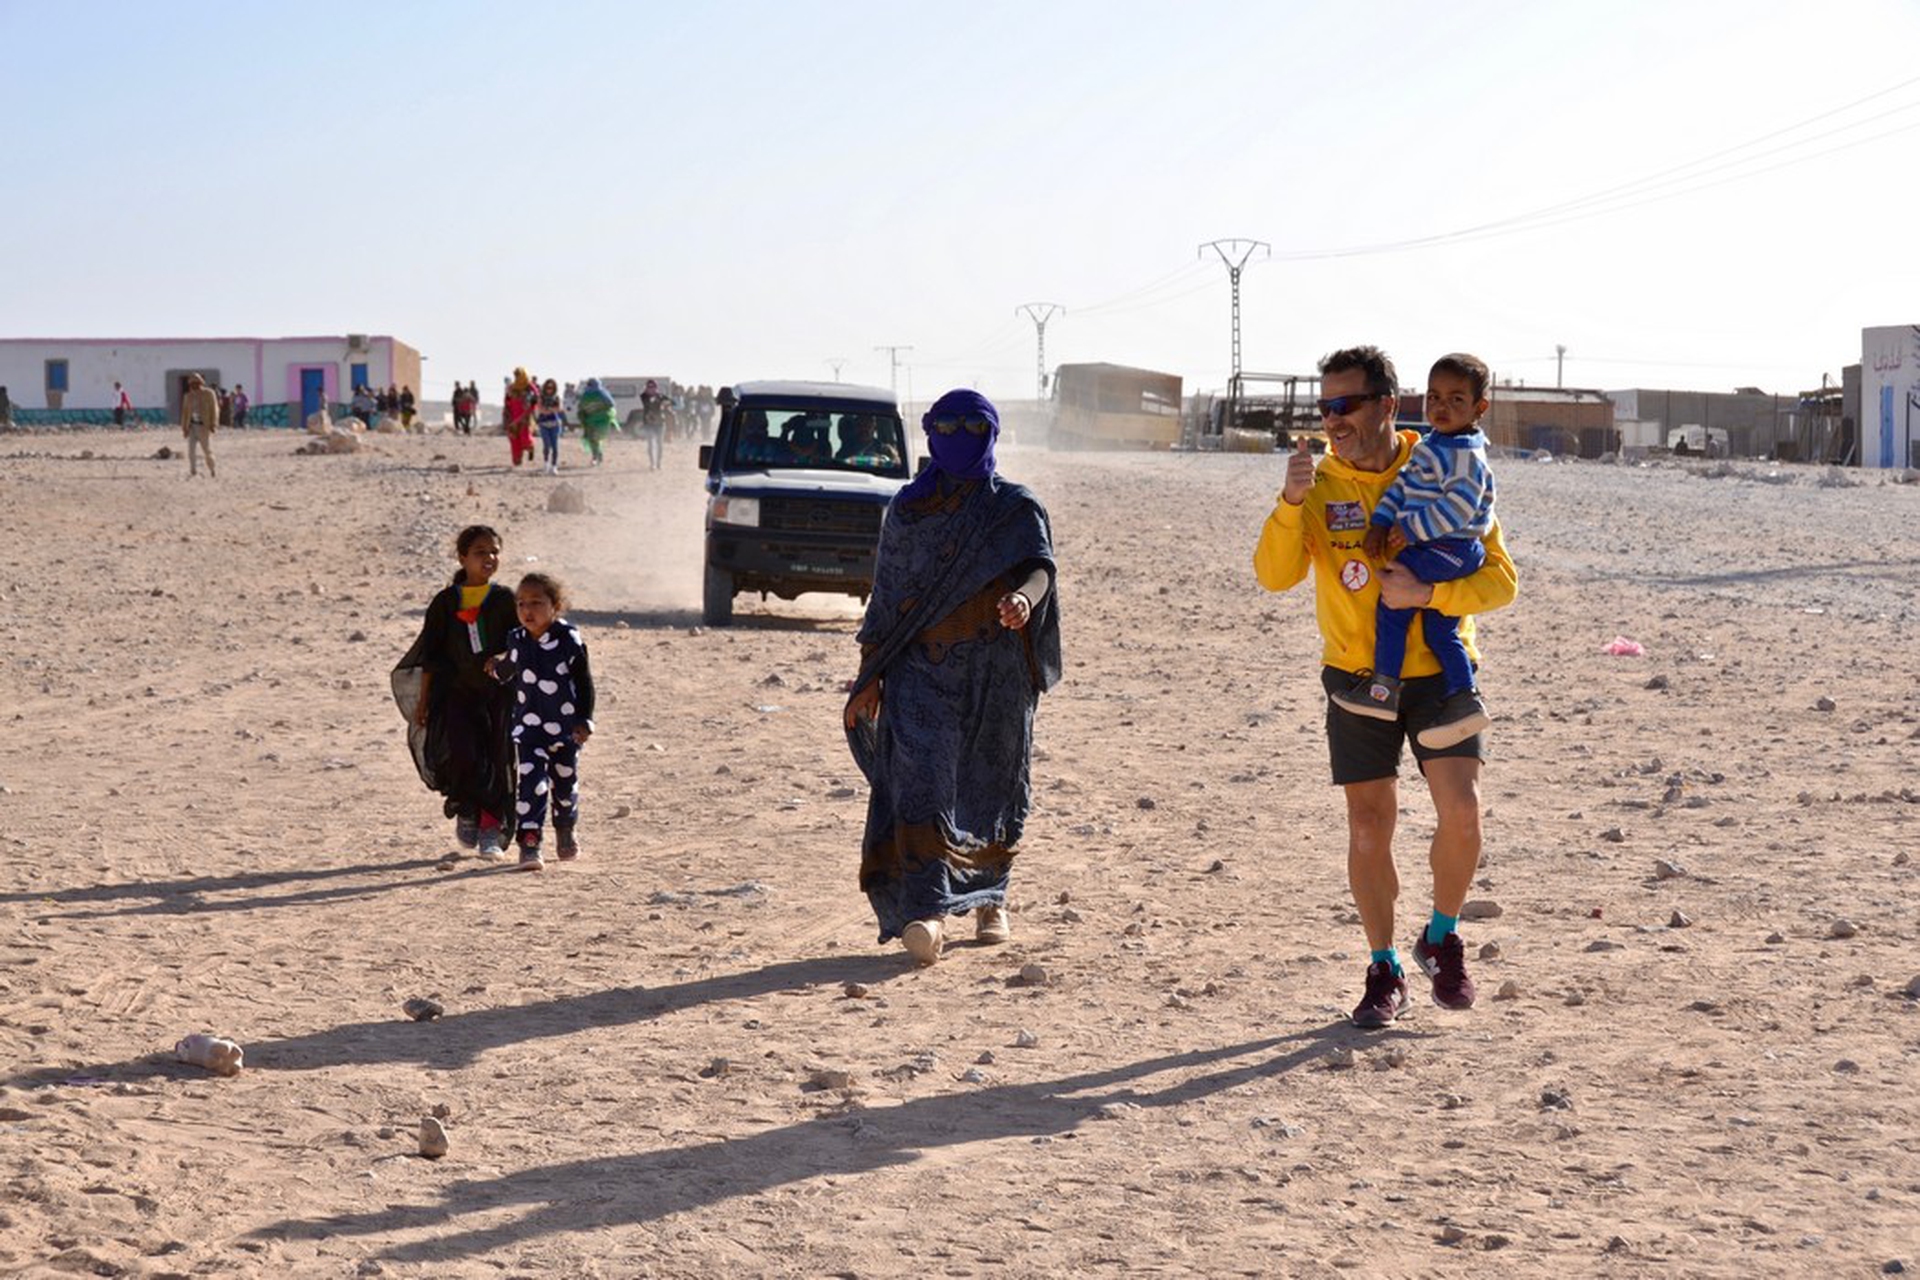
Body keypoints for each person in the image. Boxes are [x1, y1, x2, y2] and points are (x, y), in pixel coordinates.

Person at [1253, 345, 1517, 1029]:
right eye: (1325, 407)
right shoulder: (1321, 486)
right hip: (1357, 680)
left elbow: (1501, 580)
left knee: (1463, 811)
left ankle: (1442, 933)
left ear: (1387, 406)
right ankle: (1383, 966)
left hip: (1438, 677)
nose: (1333, 419)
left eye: (1346, 405)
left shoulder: (1445, 465)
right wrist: (1290, 502)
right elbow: (1274, 575)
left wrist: (1430, 591)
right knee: (1370, 827)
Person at [843, 389, 1062, 966]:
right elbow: (886, 599)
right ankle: (928, 911)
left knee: (992, 787)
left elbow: (1041, 567)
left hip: (997, 674)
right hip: (920, 671)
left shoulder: (1015, 508)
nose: (959, 434)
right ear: (929, 431)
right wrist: (868, 677)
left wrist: (1023, 597)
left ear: (992, 432)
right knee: (924, 787)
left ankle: (993, 902)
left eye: (972, 424)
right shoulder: (908, 511)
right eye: (946, 424)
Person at [1331, 353, 1497, 748]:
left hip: (1454, 548)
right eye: (1434, 397)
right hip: (1435, 544)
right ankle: (1462, 699)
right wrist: (1381, 522)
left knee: (1393, 603)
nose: (1442, 407)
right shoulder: (1432, 446)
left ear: (1479, 408)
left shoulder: (1466, 455)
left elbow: (1458, 508)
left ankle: (1386, 688)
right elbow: (1402, 488)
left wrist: (1407, 529)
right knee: (1441, 629)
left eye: (1456, 400)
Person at [391, 525, 519, 861]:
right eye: (480, 552)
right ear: (462, 557)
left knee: (497, 758)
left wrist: (506, 659)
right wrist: (423, 701)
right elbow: (431, 655)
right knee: (462, 754)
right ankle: (466, 809)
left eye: (494, 551)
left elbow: (520, 643)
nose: (489, 558)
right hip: (455, 695)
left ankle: (491, 830)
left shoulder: (505, 599)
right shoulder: (445, 603)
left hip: (498, 697)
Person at [485, 572, 595, 871]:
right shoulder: (516, 639)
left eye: (536, 602)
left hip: (564, 729)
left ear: (555, 605)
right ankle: (530, 844)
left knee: (564, 784)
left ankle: (565, 829)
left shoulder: (568, 639)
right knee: (531, 784)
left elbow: (584, 683)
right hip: (529, 728)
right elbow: (509, 668)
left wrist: (584, 720)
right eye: (521, 603)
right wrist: (494, 667)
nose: (527, 610)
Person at [179, 372, 219, 479]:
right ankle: (193, 471)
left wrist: (213, 424)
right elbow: (185, 413)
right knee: (191, 451)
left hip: (204, 427)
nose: (194, 385)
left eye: (196, 382)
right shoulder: (188, 396)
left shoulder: (209, 394)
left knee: (207, 450)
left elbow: (214, 409)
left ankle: (212, 469)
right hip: (192, 427)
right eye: (192, 383)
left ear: (200, 382)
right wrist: (184, 428)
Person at [575, 376, 617, 466]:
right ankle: (597, 456)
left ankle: (597, 456)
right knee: (593, 440)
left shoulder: (600, 393)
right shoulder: (590, 394)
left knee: (595, 439)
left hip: (600, 421)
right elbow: (582, 407)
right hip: (593, 421)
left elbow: (610, 404)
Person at [504, 369, 537, 467]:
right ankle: (517, 459)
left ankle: (530, 448)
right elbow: (507, 401)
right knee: (514, 439)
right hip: (513, 417)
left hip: (525, 417)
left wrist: (530, 407)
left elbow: (536, 398)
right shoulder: (512, 387)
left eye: (519, 375)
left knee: (525, 438)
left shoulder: (529, 387)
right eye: (516, 375)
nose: (517, 377)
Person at [536, 377, 566, 474]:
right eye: (548, 387)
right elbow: (540, 410)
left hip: (555, 425)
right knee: (546, 445)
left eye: (552, 388)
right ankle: (546, 465)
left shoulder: (557, 397)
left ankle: (554, 466)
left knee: (555, 446)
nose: (550, 390)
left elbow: (559, 409)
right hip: (543, 425)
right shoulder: (541, 397)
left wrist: (549, 409)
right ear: (545, 387)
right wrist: (551, 409)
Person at [637, 378, 668, 470]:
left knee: (660, 444)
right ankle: (652, 464)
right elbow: (645, 401)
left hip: (660, 423)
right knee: (650, 443)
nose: (651, 389)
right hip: (648, 423)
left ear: (656, 387)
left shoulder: (661, 396)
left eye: (653, 387)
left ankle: (659, 463)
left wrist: (665, 403)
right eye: (649, 387)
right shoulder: (644, 396)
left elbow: (671, 402)